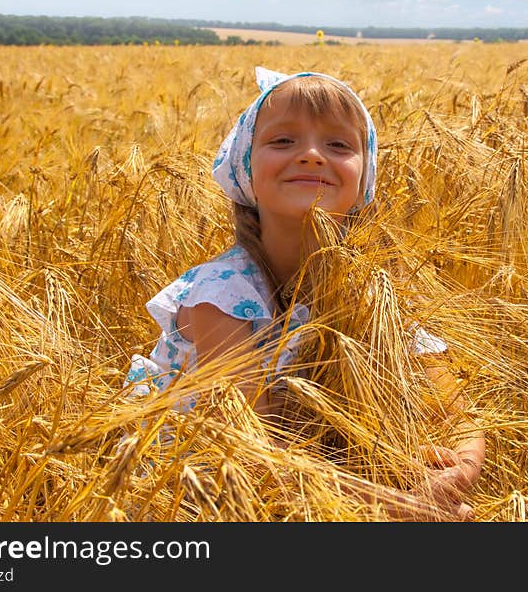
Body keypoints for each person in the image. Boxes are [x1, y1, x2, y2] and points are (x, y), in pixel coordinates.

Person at [125, 66, 484, 520]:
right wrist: (398, 505)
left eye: (338, 145)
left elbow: (458, 415)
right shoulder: (220, 295)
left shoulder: (374, 294)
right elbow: (256, 447)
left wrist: (455, 474)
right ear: (244, 169)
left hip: (327, 479)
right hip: (204, 490)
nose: (312, 155)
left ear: (364, 178)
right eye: (283, 141)